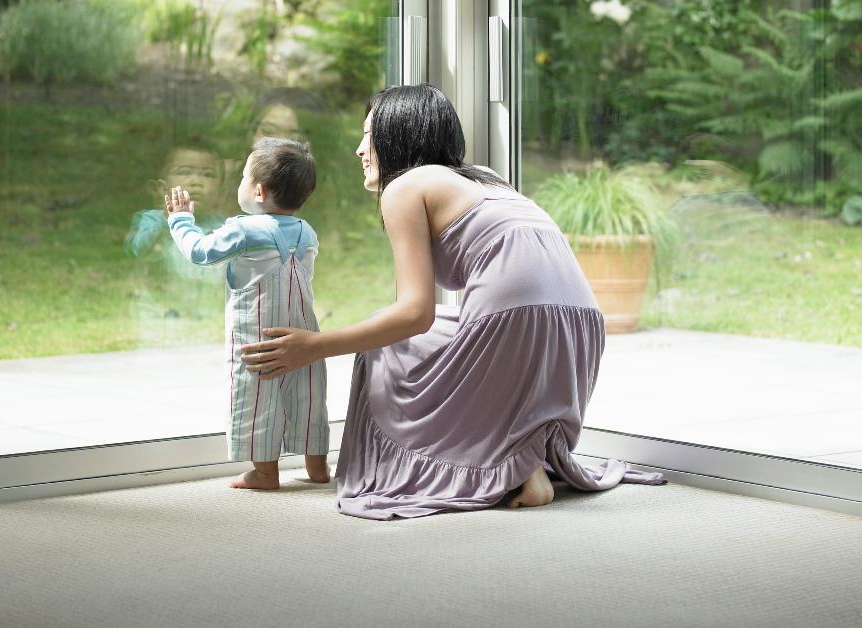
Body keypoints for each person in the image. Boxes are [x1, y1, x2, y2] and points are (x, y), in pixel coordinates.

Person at [237, 84, 666, 520]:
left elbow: (414, 314)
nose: (359, 149)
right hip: (580, 328)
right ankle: (525, 459)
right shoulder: (482, 178)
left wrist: (315, 345)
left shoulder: (404, 187)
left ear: (395, 136)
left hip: (515, 322)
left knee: (386, 339)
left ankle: (505, 467)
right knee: (417, 333)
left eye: (368, 135)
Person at [165, 137, 330, 490]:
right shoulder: (308, 233)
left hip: (259, 340)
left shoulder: (244, 230)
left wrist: (181, 221)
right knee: (308, 398)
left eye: (242, 177)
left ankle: (266, 474)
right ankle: (318, 469)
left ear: (258, 191)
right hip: (304, 338)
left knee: (258, 402)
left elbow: (200, 252)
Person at [124, 141, 227, 344]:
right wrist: (167, 217)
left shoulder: (224, 228)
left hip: (206, 319)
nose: (196, 181)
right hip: (159, 319)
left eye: (208, 175)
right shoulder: (151, 220)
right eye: (184, 171)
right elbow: (137, 250)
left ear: (220, 191)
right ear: (162, 188)